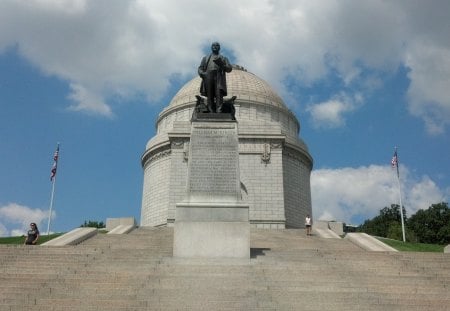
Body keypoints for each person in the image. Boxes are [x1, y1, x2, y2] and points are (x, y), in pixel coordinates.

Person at [198, 42, 232, 113]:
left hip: (219, 76)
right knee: (209, 93)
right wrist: (203, 74)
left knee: (219, 93)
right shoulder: (206, 58)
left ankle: (219, 109)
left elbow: (229, 68)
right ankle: (210, 109)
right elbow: (200, 68)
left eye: (217, 46)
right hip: (208, 76)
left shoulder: (223, 58)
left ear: (219, 48)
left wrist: (222, 65)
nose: (215, 47)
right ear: (211, 47)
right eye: (213, 45)